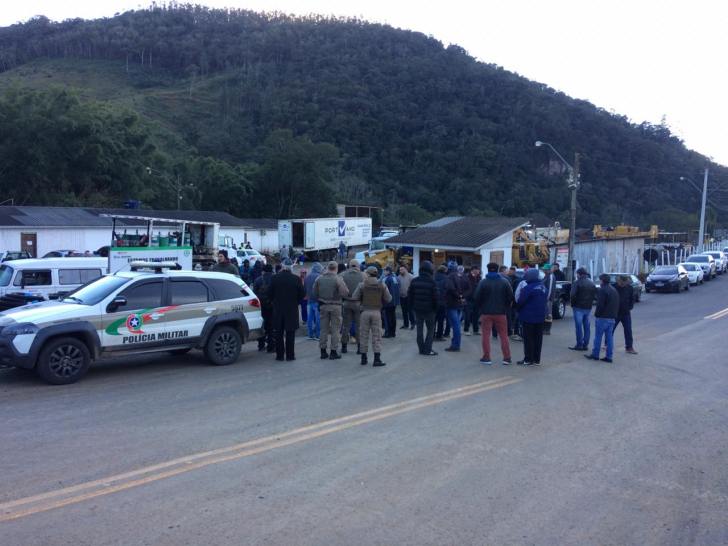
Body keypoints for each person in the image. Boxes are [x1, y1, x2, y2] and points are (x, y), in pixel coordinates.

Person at [474, 263, 514, 365]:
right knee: (503, 335)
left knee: (486, 335)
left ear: (487, 270)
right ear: (497, 270)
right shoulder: (504, 282)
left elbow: (477, 297)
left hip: (486, 312)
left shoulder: (483, 282)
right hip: (500, 312)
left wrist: (481, 308)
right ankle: (506, 357)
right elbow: (510, 296)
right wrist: (506, 306)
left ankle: (486, 357)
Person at [352, 266, 392, 366]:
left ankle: (363, 358)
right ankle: (377, 359)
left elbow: (354, 297)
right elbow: (389, 299)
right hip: (377, 312)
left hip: (365, 312)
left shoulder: (362, 285)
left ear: (368, 274)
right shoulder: (382, 285)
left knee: (364, 335)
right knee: (377, 335)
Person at [266, 259, 305, 362]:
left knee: (279, 332)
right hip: (291, 309)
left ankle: (279, 355)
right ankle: (290, 355)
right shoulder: (296, 279)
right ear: (291, 267)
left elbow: (268, 292)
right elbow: (303, 293)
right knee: (290, 333)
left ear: (282, 267)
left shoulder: (275, 278)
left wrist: (274, 301)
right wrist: (297, 302)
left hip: (278, 309)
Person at [313, 261, 349, 360]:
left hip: (323, 306)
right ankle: (333, 351)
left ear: (328, 268)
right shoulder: (338, 279)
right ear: (336, 269)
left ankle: (323, 351)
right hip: (335, 306)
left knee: (323, 329)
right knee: (335, 329)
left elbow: (314, 292)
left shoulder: (319, 279)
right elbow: (345, 293)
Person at [516, 268, 548, 366]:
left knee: (528, 338)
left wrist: (518, 310)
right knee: (538, 338)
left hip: (528, 316)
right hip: (540, 316)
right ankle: (536, 359)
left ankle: (528, 359)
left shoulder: (528, 288)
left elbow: (521, 301)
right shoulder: (543, 287)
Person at [584, 273, 619, 363]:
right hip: (612, 317)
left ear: (602, 280)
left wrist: (597, 314)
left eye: (600, 280)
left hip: (603, 317)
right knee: (609, 337)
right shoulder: (613, 289)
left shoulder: (602, 290)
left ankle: (595, 354)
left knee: (598, 336)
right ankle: (609, 356)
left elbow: (600, 304)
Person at [409, 260, 440, 356]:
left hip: (418, 309)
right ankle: (428, 348)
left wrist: (412, 307)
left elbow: (410, 296)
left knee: (419, 329)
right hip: (430, 310)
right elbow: (436, 297)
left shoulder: (414, 281)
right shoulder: (433, 282)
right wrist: (436, 309)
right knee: (431, 329)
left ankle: (421, 348)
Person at [340, 259, 367, 354]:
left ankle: (344, 347)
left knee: (346, 325)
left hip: (346, 302)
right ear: (358, 265)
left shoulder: (343, 275)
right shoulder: (363, 275)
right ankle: (359, 348)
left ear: (350, 266)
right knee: (359, 326)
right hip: (358, 303)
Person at [444, 264, 471, 352]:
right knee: (457, 324)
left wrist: (459, 296)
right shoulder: (464, 276)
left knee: (456, 325)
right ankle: (455, 342)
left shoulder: (450, 277)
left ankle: (456, 345)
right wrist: (462, 296)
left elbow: (450, 288)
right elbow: (469, 289)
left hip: (452, 303)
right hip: (462, 303)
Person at [569, 267, 597, 351]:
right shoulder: (591, 283)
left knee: (578, 327)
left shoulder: (577, 282)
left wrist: (573, 304)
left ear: (578, 274)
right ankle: (585, 344)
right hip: (588, 307)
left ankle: (579, 344)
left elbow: (572, 295)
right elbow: (595, 295)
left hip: (578, 307)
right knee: (587, 326)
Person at [252, 264, 276, 353]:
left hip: (262, 307)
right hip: (273, 306)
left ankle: (261, 345)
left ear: (263, 271)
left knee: (262, 326)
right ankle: (271, 346)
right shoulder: (275, 279)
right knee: (271, 326)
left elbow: (254, 294)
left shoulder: (258, 280)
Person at [613, 274, 638, 355]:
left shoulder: (630, 288)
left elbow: (632, 298)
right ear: (618, 282)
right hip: (615, 313)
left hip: (626, 313)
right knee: (611, 329)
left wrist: (629, 307)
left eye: (624, 283)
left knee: (628, 331)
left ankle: (629, 347)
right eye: (621, 283)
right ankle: (607, 343)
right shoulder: (613, 287)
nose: (623, 285)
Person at [304, 263, 323, 340]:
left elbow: (305, 288)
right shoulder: (320, 277)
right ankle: (318, 334)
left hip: (309, 300)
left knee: (309, 318)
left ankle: (310, 334)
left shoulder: (307, 277)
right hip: (317, 300)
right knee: (318, 318)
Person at [463, 264, 482, 336]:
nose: (479, 270)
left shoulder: (479, 277)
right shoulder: (467, 277)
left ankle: (476, 329)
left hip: (477, 299)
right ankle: (466, 329)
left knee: (476, 314)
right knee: (467, 314)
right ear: (473, 269)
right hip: (469, 298)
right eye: (478, 269)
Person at [382, 265, 400, 338]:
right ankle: (393, 332)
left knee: (387, 316)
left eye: (385, 271)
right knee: (393, 316)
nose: (384, 272)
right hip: (395, 300)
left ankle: (388, 332)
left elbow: (383, 290)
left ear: (388, 271)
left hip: (388, 300)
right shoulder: (396, 278)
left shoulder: (386, 279)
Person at [434, 264, 450, 342]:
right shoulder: (446, 278)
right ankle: (439, 336)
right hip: (442, 302)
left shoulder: (432, 276)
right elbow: (447, 289)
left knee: (433, 319)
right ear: (445, 270)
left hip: (433, 301)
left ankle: (432, 335)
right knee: (441, 320)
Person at [397, 265, 416, 330]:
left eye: (402, 269)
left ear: (405, 269)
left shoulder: (411, 277)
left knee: (410, 310)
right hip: (401, 296)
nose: (400, 271)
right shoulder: (398, 277)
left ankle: (413, 323)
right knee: (404, 311)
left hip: (409, 296)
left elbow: (414, 287)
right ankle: (406, 324)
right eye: (400, 270)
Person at [542, 264, 556, 335]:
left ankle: (547, 329)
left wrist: (547, 298)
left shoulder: (550, 277)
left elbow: (550, 288)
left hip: (548, 299)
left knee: (548, 314)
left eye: (545, 270)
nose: (544, 271)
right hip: (545, 298)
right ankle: (544, 328)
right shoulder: (546, 276)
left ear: (549, 270)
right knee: (545, 313)